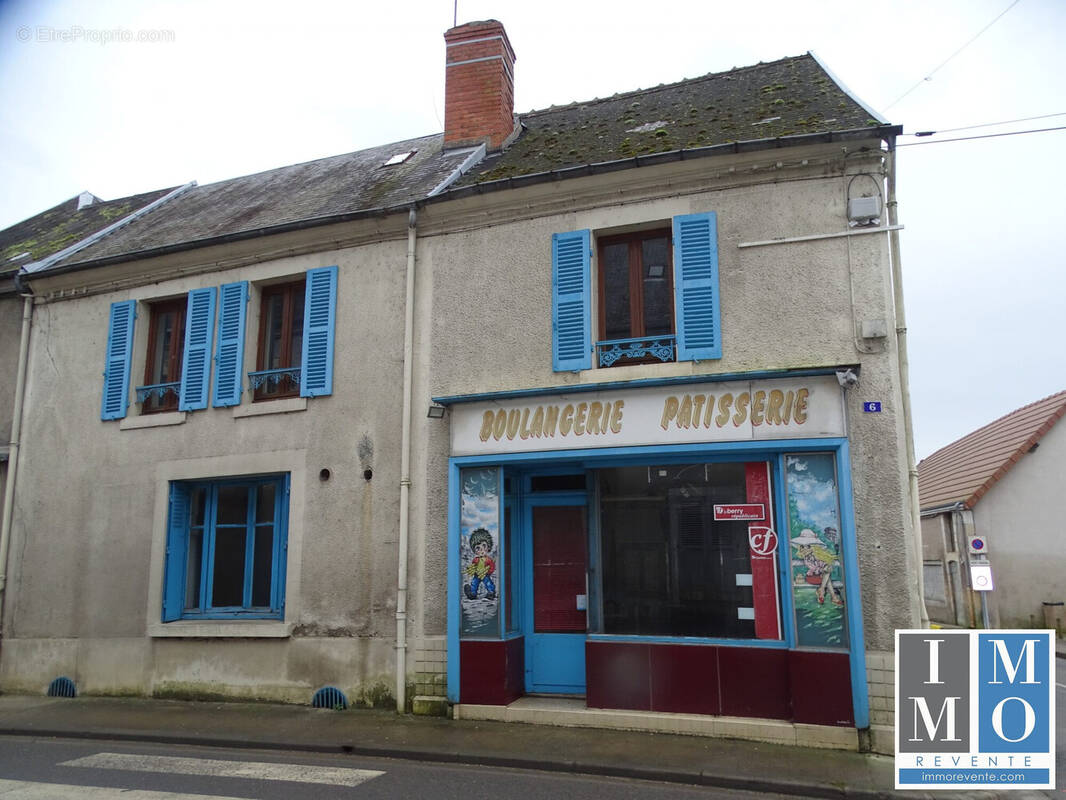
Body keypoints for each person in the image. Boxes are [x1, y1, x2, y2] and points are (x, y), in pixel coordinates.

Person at [464, 527, 497, 600]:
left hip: (485, 574)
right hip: (477, 574)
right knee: (474, 583)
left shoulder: (488, 559)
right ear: (475, 550)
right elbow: (473, 566)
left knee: (488, 583)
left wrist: (488, 572)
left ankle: (491, 592)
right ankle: (472, 593)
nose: (481, 550)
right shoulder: (475, 559)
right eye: (478, 548)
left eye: (484, 546)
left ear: (488, 548)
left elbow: (492, 567)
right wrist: (471, 569)